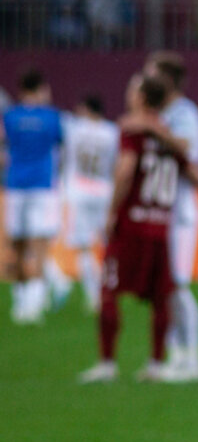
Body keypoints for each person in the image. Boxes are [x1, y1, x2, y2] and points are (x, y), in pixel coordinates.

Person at [78, 74, 198, 383]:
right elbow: (197, 175)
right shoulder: (169, 135)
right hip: (160, 225)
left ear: (142, 98)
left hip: (132, 222)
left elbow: (125, 171)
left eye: (133, 90)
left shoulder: (132, 130)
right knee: (161, 297)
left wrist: (112, 212)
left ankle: (107, 363)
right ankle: (156, 363)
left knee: (109, 291)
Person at [145, 51, 198, 382]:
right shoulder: (161, 114)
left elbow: (188, 155)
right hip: (159, 209)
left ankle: (192, 359)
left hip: (180, 212)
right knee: (163, 288)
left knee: (178, 285)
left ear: (167, 79)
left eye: (151, 74)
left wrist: (153, 130)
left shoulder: (185, 114)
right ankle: (175, 357)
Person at [2, 70, 63, 323]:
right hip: (42, 187)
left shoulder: (10, 117)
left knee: (17, 245)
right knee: (38, 247)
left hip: (16, 185)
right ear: (41, 88)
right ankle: (34, 306)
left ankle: (20, 302)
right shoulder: (51, 117)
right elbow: (60, 146)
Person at [61, 94, 120, 312]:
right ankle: (109, 290)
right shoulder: (112, 132)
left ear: (86, 109)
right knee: (108, 245)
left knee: (84, 246)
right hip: (104, 190)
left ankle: (93, 294)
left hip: (79, 191)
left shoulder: (73, 128)